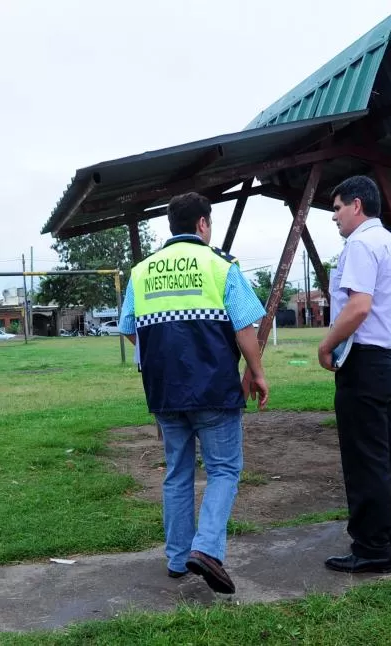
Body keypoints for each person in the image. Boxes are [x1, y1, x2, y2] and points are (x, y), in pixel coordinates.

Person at [119, 192, 269, 594]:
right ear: (203, 224)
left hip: (165, 391)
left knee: (177, 473)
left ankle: (176, 558)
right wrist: (256, 372)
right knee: (223, 469)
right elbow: (244, 328)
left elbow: (129, 327)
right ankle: (206, 550)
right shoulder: (222, 266)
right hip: (215, 388)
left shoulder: (141, 271)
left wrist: (160, 354)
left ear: (172, 225)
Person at [318, 175, 391, 574]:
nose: (335, 218)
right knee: (388, 457)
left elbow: (359, 306)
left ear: (357, 205)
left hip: (364, 363)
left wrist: (327, 344)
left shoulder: (361, 244)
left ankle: (370, 548)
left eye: (337, 208)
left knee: (366, 461)